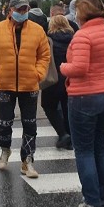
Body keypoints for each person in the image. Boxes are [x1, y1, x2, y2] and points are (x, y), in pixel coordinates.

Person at [60, 0, 104, 207]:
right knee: (100, 148)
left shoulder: (83, 35)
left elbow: (80, 68)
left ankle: (92, 202)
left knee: (84, 151)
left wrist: (63, 67)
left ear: (82, 14)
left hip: (84, 96)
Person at [0, 0, 50, 179]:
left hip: (30, 85)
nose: (23, 12)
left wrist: (38, 73)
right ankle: (5, 150)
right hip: (5, 85)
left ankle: (27, 160)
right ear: (10, 11)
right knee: (4, 122)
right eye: (19, 9)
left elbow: (44, 54)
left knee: (30, 124)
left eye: (25, 9)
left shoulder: (37, 30)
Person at [40, 16, 74, 150]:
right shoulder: (74, 39)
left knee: (48, 106)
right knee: (67, 109)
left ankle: (62, 134)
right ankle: (70, 138)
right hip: (70, 79)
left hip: (53, 79)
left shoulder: (48, 40)